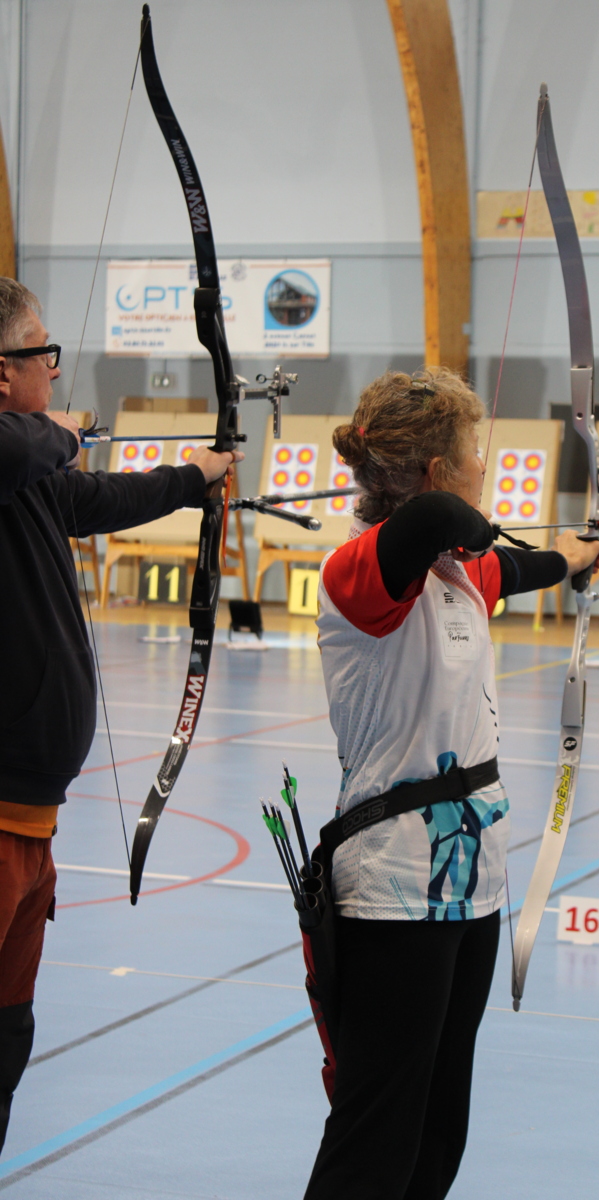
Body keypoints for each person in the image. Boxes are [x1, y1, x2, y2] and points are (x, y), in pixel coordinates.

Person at [304, 367, 599, 1200]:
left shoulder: (458, 574)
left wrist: (577, 554)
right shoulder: (361, 570)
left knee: (439, 1128)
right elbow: (435, 521)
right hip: (393, 885)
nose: (485, 464)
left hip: (472, 884)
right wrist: (474, 524)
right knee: (377, 1132)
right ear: (438, 471)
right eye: (473, 452)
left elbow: (523, 566)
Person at [0, 277, 243, 1152]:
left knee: (7, 1038)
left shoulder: (31, 475)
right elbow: (32, 445)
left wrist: (196, 476)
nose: (56, 370)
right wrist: (62, 433)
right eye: (44, 353)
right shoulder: (18, 452)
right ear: (2, 371)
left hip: (30, 822)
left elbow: (103, 499)